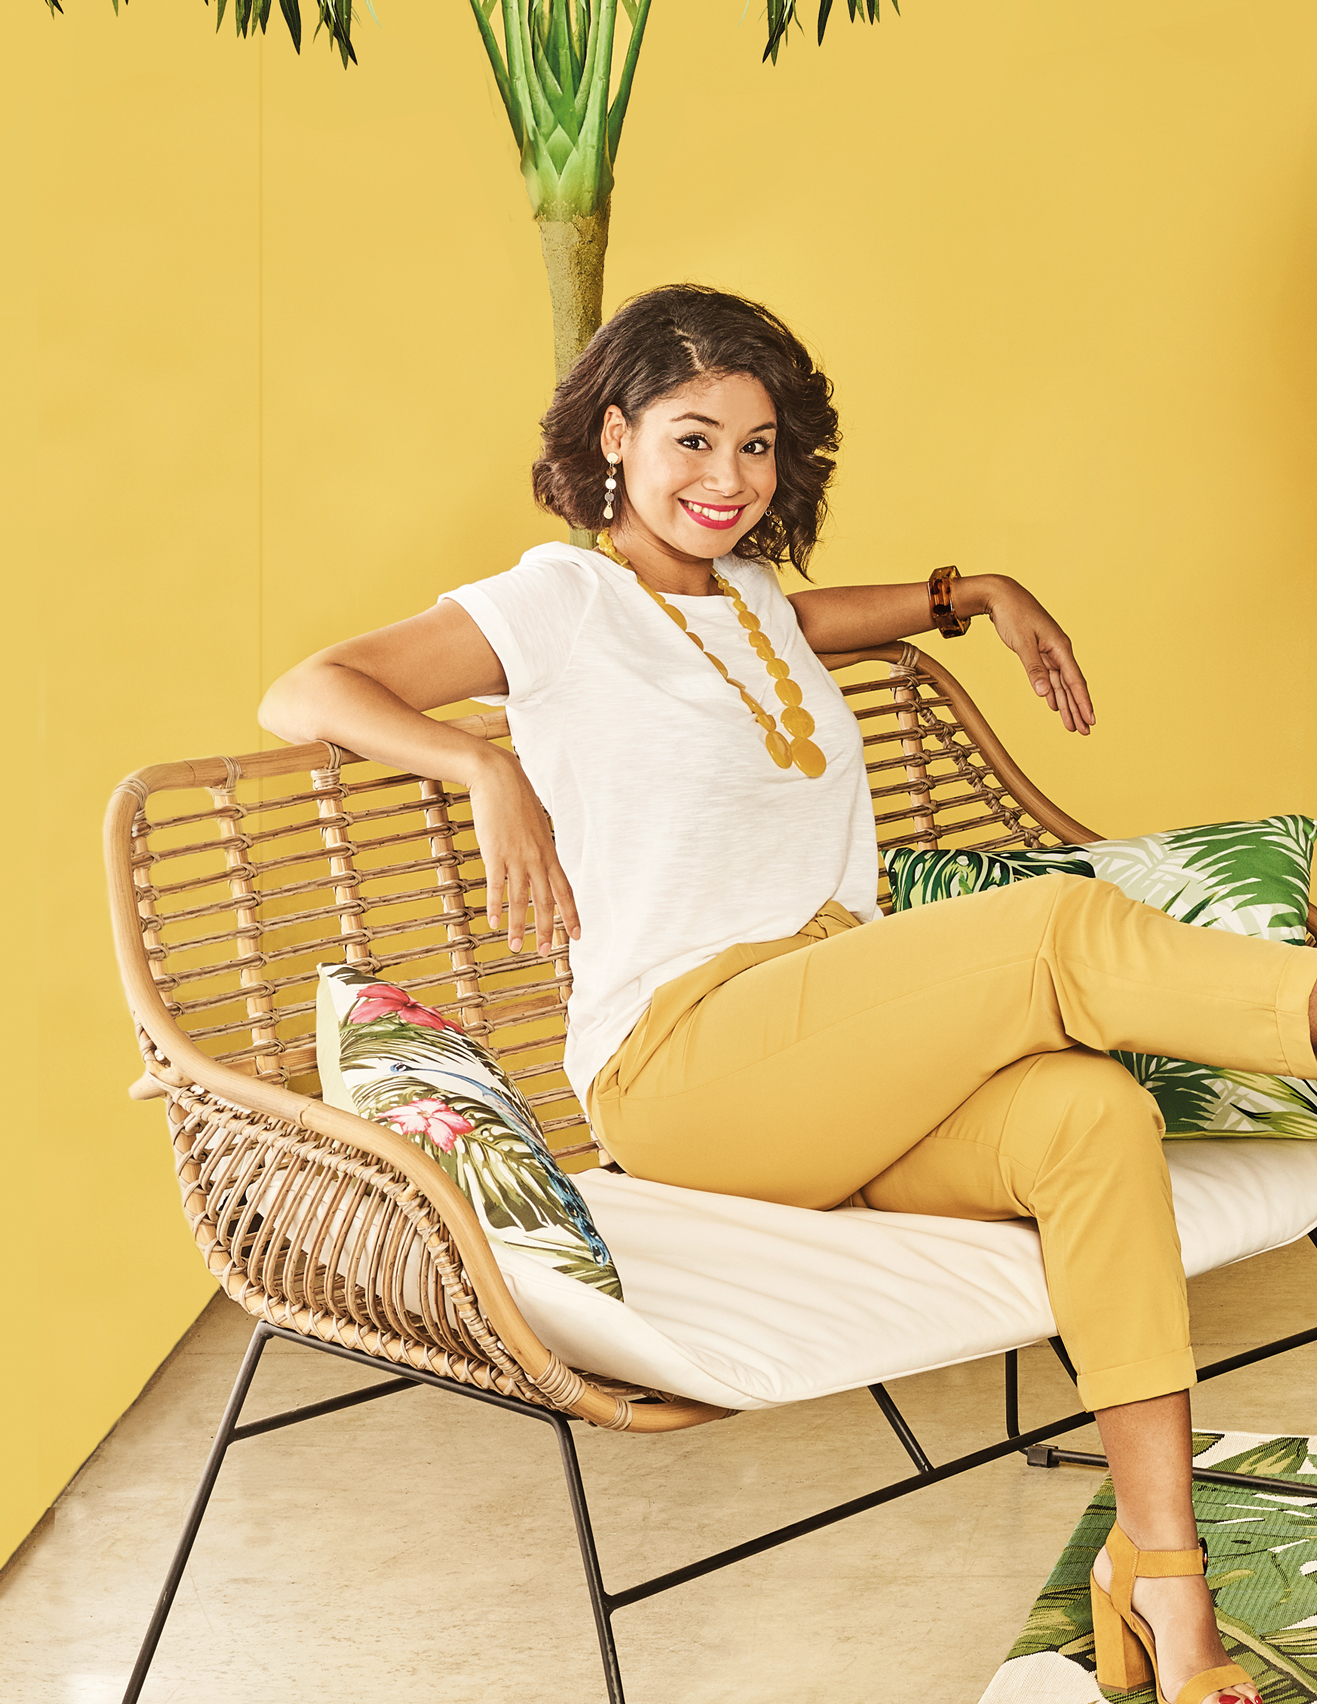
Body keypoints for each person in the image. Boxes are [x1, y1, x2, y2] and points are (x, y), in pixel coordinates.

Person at [259, 284, 1314, 1704]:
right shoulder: (557, 603)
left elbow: (811, 618)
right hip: (686, 1064)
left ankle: (1159, 1580)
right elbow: (307, 689)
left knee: (1086, 1118)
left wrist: (966, 595)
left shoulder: (750, 604)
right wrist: (482, 764)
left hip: (832, 1065)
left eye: (758, 448)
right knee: (1050, 931)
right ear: (616, 437)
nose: (726, 480)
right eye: (693, 440)